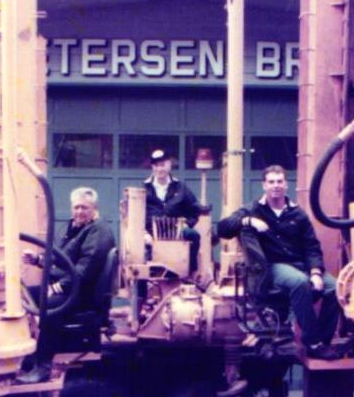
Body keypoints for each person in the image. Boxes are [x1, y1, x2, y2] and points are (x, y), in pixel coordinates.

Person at [217, 164, 341, 359]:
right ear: (264, 185)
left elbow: (311, 247)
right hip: (271, 268)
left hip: (300, 265)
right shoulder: (253, 210)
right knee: (299, 282)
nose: (276, 185)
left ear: (286, 185)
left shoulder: (298, 214)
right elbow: (223, 229)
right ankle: (313, 342)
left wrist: (316, 272)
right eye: (271, 182)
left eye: (279, 181)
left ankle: (323, 342)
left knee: (334, 287)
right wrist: (247, 221)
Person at [17, 186, 116, 383]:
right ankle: (29, 356)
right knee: (24, 295)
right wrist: (37, 259)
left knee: (49, 307)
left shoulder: (99, 231)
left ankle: (43, 367)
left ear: (94, 208)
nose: (79, 211)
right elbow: (59, 256)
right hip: (72, 289)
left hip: (84, 294)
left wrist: (59, 286)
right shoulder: (73, 227)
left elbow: (85, 269)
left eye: (84, 207)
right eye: (76, 207)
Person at [143, 149, 206, 274]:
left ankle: (189, 273)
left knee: (193, 235)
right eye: (156, 165)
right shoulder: (144, 188)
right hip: (150, 234)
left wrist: (187, 223)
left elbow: (195, 209)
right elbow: (134, 216)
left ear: (169, 165)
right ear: (152, 167)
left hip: (176, 232)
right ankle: (145, 281)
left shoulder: (180, 187)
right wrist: (143, 233)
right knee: (139, 250)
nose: (159, 169)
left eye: (162, 165)